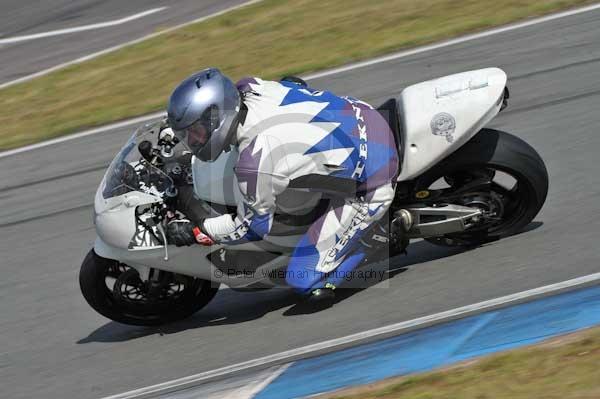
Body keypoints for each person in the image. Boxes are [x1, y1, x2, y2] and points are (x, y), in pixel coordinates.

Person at [166, 67, 399, 305]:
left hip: (373, 179)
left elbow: (252, 227)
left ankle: (376, 236)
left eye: (195, 132)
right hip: (362, 113)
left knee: (303, 279)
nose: (192, 141)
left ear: (216, 119)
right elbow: (293, 83)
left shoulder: (256, 163)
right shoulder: (251, 87)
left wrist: (199, 230)